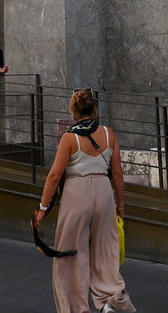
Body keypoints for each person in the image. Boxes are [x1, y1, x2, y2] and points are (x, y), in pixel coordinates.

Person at [35, 89, 134, 313]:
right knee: (106, 252)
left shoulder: (70, 138)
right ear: (94, 109)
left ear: (73, 110)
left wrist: (42, 208)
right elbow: (117, 174)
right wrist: (121, 205)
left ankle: (76, 308)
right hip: (104, 192)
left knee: (71, 254)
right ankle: (111, 300)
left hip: (77, 192)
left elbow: (54, 175)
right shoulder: (109, 134)